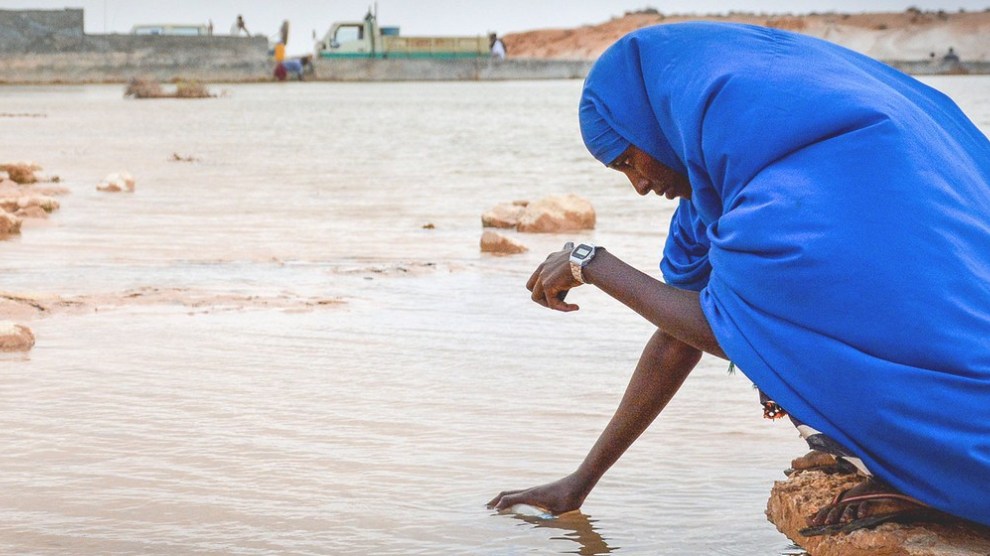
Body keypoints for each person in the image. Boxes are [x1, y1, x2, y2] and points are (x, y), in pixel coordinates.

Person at [487, 22, 990, 530]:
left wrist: (591, 264)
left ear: (657, 125)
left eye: (629, 160)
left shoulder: (790, 182)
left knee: (787, 339)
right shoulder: (717, 191)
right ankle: (898, 459)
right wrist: (581, 481)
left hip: (971, 404)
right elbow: (677, 337)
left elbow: (738, 332)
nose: (638, 185)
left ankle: (916, 472)